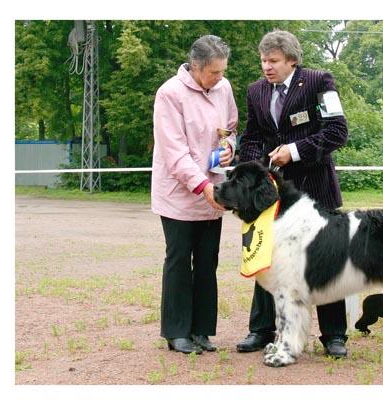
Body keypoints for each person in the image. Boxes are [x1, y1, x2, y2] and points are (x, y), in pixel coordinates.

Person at [237, 30, 349, 358]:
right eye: (263, 61)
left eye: (273, 61)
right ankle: (261, 330)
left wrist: (295, 151)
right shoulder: (255, 91)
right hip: (272, 197)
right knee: (265, 258)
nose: (266, 67)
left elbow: (337, 132)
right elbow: (252, 137)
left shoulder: (319, 82)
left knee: (326, 260)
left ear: (292, 61)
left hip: (316, 192)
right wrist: (256, 163)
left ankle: (334, 335)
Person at [151, 35, 237, 354]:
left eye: (223, 71)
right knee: (178, 259)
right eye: (214, 72)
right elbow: (175, 152)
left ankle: (202, 330)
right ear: (196, 67)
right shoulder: (170, 94)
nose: (220, 77)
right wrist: (202, 186)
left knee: (206, 262)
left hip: (212, 190)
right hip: (179, 194)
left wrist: (229, 149)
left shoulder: (223, 89)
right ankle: (176, 332)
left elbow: (230, 127)